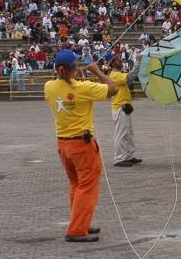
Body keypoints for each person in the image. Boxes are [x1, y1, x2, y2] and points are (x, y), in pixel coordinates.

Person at [44, 50, 118, 243]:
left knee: (76, 185)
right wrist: (98, 72)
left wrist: (78, 79)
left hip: (63, 144)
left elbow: (68, 88)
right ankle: (76, 229)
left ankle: (81, 222)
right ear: (73, 69)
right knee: (87, 186)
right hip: (82, 145)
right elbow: (113, 89)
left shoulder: (49, 86)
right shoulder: (83, 88)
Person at [108, 54, 142, 167]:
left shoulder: (118, 75)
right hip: (119, 108)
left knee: (128, 134)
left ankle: (128, 156)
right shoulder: (115, 75)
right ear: (112, 63)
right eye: (117, 60)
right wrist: (137, 62)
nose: (120, 61)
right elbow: (131, 76)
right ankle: (119, 158)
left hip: (124, 107)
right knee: (121, 134)